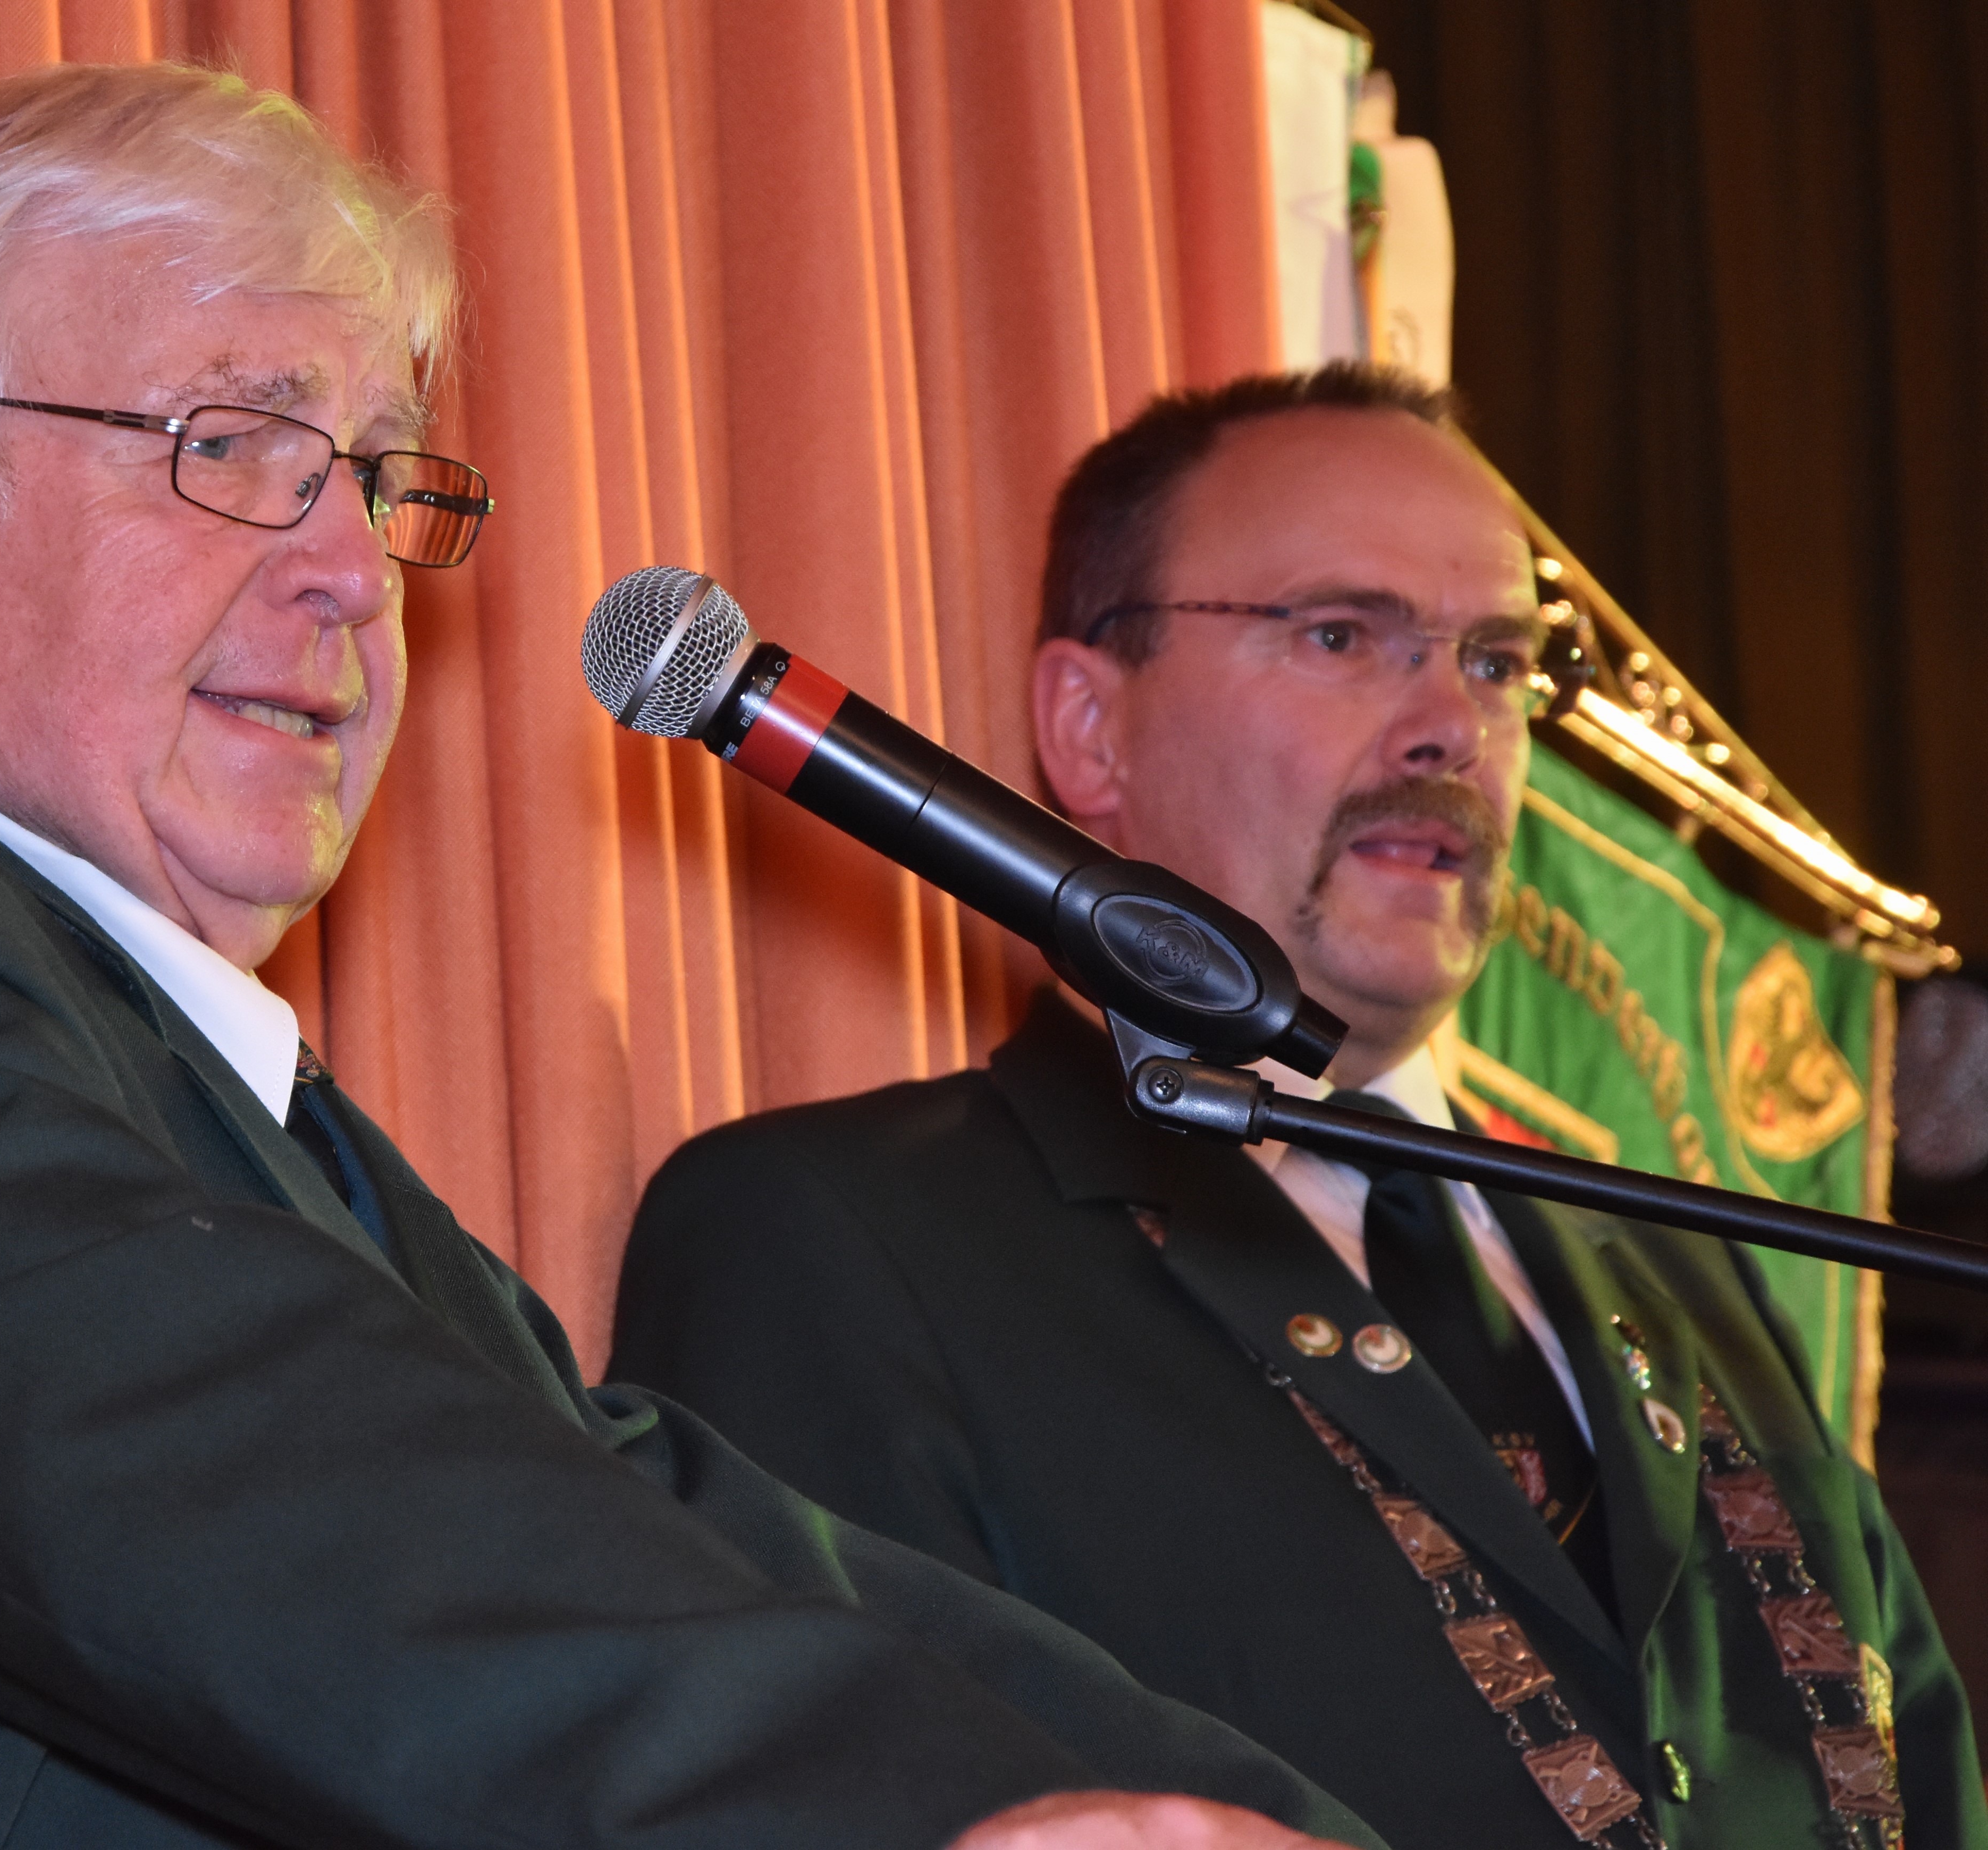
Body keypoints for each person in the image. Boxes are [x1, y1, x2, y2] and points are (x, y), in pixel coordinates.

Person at [0, 65, 1376, 1850]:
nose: (351, 574)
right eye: (227, 443)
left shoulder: (245, 1118)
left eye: (376, 479)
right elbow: (267, 1496)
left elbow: (676, 1533)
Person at [612, 366, 1988, 1850]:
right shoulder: (839, 1237)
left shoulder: (1687, 1264)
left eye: (1496, 663)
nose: (1450, 728)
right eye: (1341, 636)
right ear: (1088, 725)